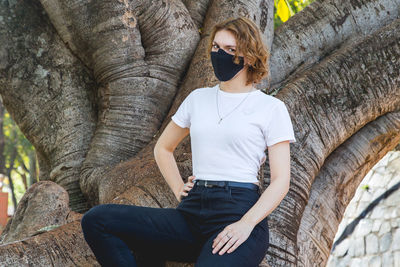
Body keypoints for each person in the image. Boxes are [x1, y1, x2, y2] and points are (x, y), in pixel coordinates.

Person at [80, 16, 296, 267]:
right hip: (192, 212)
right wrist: (177, 188)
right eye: (216, 47)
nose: (220, 54)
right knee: (97, 220)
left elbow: (281, 181)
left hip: (238, 212)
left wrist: (246, 224)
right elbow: (163, 148)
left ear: (249, 56)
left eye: (230, 50)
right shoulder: (198, 99)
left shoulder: (271, 108)